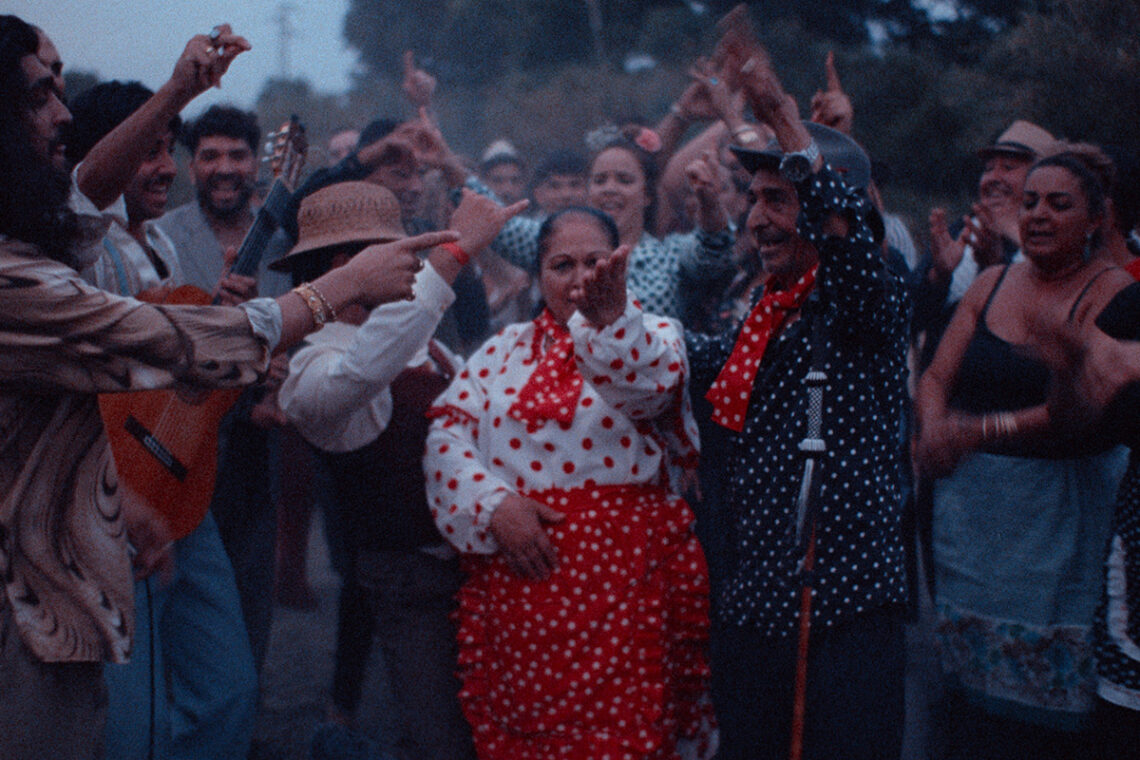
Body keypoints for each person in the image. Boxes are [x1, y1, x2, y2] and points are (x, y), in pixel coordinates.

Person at [0, 15, 448, 760]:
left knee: (221, 694)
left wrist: (180, 87)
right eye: (40, 98)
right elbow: (171, 344)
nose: (64, 115)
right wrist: (340, 287)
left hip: (131, 519)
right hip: (31, 597)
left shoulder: (56, 240)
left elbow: (80, 205)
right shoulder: (13, 279)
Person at [686, 22, 911, 758]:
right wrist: (609, 321)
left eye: (778, 200)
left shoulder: (870, 301)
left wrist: (784, 116)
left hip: (843, 615)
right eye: (754, 198)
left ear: (824, 209)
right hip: (755, 609)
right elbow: (697, 364)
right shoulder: (759, 311)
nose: (756, 219)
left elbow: (848, 245)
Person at [423, 206, 714, 758]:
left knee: (629, 735)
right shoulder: (499, 353)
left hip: (630, 583)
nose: (581, 279)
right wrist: (494, 507)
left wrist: (609, 327)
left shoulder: (654, 336)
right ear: (537, 275)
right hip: (524, 589)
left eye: (595, 263)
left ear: (619, 267)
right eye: (562, 264)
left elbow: (652, 392)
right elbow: (447, 435)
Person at [278, 182, 526, 760]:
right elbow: (365, 370)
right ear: (347, 266)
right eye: (407, 255)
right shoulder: (316, 364)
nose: (417, 265)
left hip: (477, 576)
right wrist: (453, 255)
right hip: (408, 585)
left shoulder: (430, 348)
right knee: (440, 740)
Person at [914, 152, 1133, 758]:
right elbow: (935, 377)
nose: (1038, 214)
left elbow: (1079, 413)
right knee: (971, 711)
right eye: (1031, 201)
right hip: (973, 530)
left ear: (1095, 218)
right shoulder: (990, 283)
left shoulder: (1114, 293)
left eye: (1059, 203)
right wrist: (934, 428)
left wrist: (978, 431)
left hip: (1060, 528)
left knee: (1047, 729)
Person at [156, 103, 287, 673]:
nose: (225, 167)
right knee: (184, 594)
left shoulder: (285, 241)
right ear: (192, 167)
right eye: (210, 155)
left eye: (237, 154)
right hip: (183, 442)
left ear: (258, 162)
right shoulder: (165, 238)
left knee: (253, 585)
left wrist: (281, 375)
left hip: (261, 444)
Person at [487, 128, 735, 322]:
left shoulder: (670, 253)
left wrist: (709, 201)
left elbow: (713, 251)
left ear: (647, 195)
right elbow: (497, 224)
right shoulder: (556, 247)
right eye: (600, 180)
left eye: (624, 180)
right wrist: (449, 164)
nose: (610, 189)